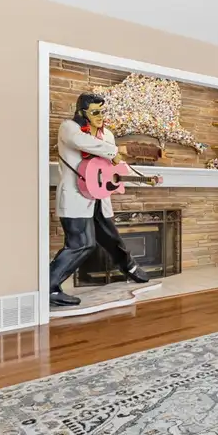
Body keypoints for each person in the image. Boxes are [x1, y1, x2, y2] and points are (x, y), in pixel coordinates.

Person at [49, 93, 149, 306]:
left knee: (112, 238)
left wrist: (142, 179)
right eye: (95, 112)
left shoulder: (108, 135)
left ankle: (129, 267)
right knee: (81, 244)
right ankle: (49, 287)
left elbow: (113, 166)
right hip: (76, 196)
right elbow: (83, 142)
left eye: (102, 111)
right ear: (81, 112)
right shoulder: (69, 128)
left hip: (99, 196)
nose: (100, 116)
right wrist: (115, 151)